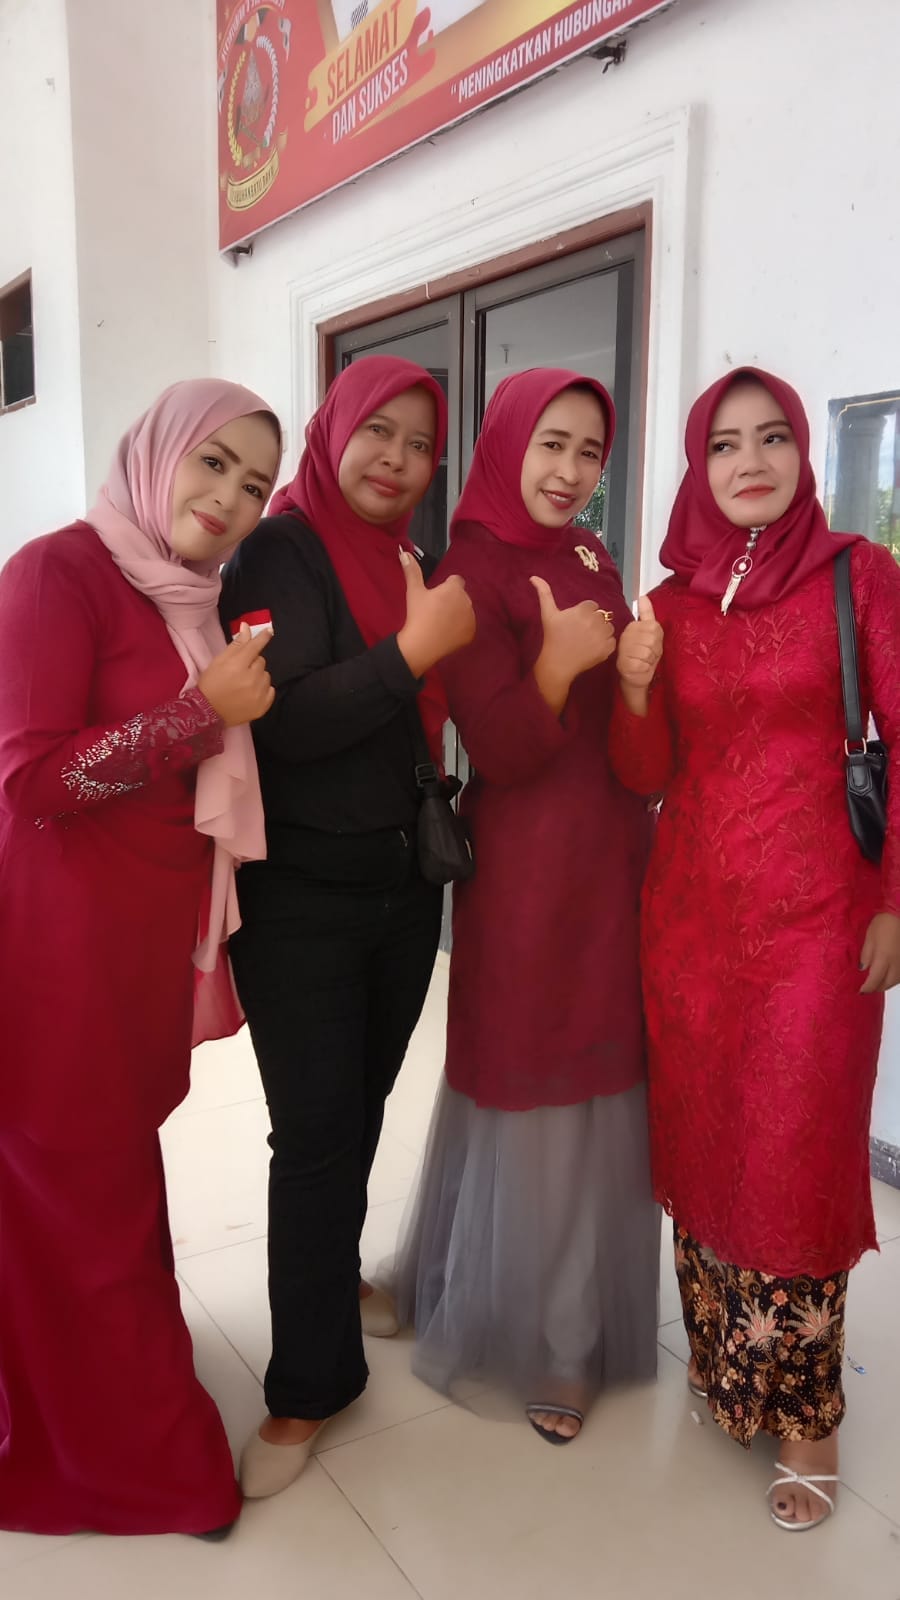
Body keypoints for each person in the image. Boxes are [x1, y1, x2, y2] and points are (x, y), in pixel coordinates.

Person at [610, 366, 900, 1530]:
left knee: (795, 1147)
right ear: (698, 466)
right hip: (689, 918)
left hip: (821, 920)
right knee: (708, 1140)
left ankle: (809, 1410)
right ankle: (731, 1372)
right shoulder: (666, 604)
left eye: (772, 436)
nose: (751, 461)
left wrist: (896, 898)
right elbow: (645, 774)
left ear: (802, 453)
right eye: (724, 444)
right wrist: (634, 690)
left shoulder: (858, 575)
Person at [0, 379, 282, 1537]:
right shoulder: (56, 573)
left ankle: (80, 1401)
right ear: (157, 453)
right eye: (212, 462)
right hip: (60, 950)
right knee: (90, 1197)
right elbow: (30, 778)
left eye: (254, 485)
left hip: (136, 943)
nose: (229, 499)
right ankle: (147, 1462)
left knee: (92, 1198)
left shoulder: (189, 601)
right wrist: (197, 712)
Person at [219, 355, 476, 1499]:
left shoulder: (410, 559)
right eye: (380, 431)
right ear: (335, 431)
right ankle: (305, 1389)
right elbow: (284, 722)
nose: (397, 459)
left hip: (402, 887)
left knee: (360, 1107)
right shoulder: (281, 548)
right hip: (301, 900)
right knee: (315, 1132)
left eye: (420, 444)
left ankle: (332, 1279)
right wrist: (414, 651)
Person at [391, 368, 660, 1445]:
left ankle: (562, 1308)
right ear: (507, 442)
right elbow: (496, 748)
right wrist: (556, 666)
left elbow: (627, 707)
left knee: (600, 1077)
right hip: (528, 866)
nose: (571, 471)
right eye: (552, 443)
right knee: (530, 1078)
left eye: (590, 452)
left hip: (613, 851)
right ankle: (554, 1340)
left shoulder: (592, 555)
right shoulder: (469, 566)